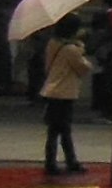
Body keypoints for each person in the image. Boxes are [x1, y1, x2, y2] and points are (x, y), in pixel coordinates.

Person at [37, 20, 92, 178]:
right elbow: (83, 68)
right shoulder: (71, 49)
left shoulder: (52, 44)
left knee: (54, 130)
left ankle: (55, 161)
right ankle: (67, 162)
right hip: (64, 92)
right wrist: (81, 48)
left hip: (51, 90)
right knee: (63, 129)